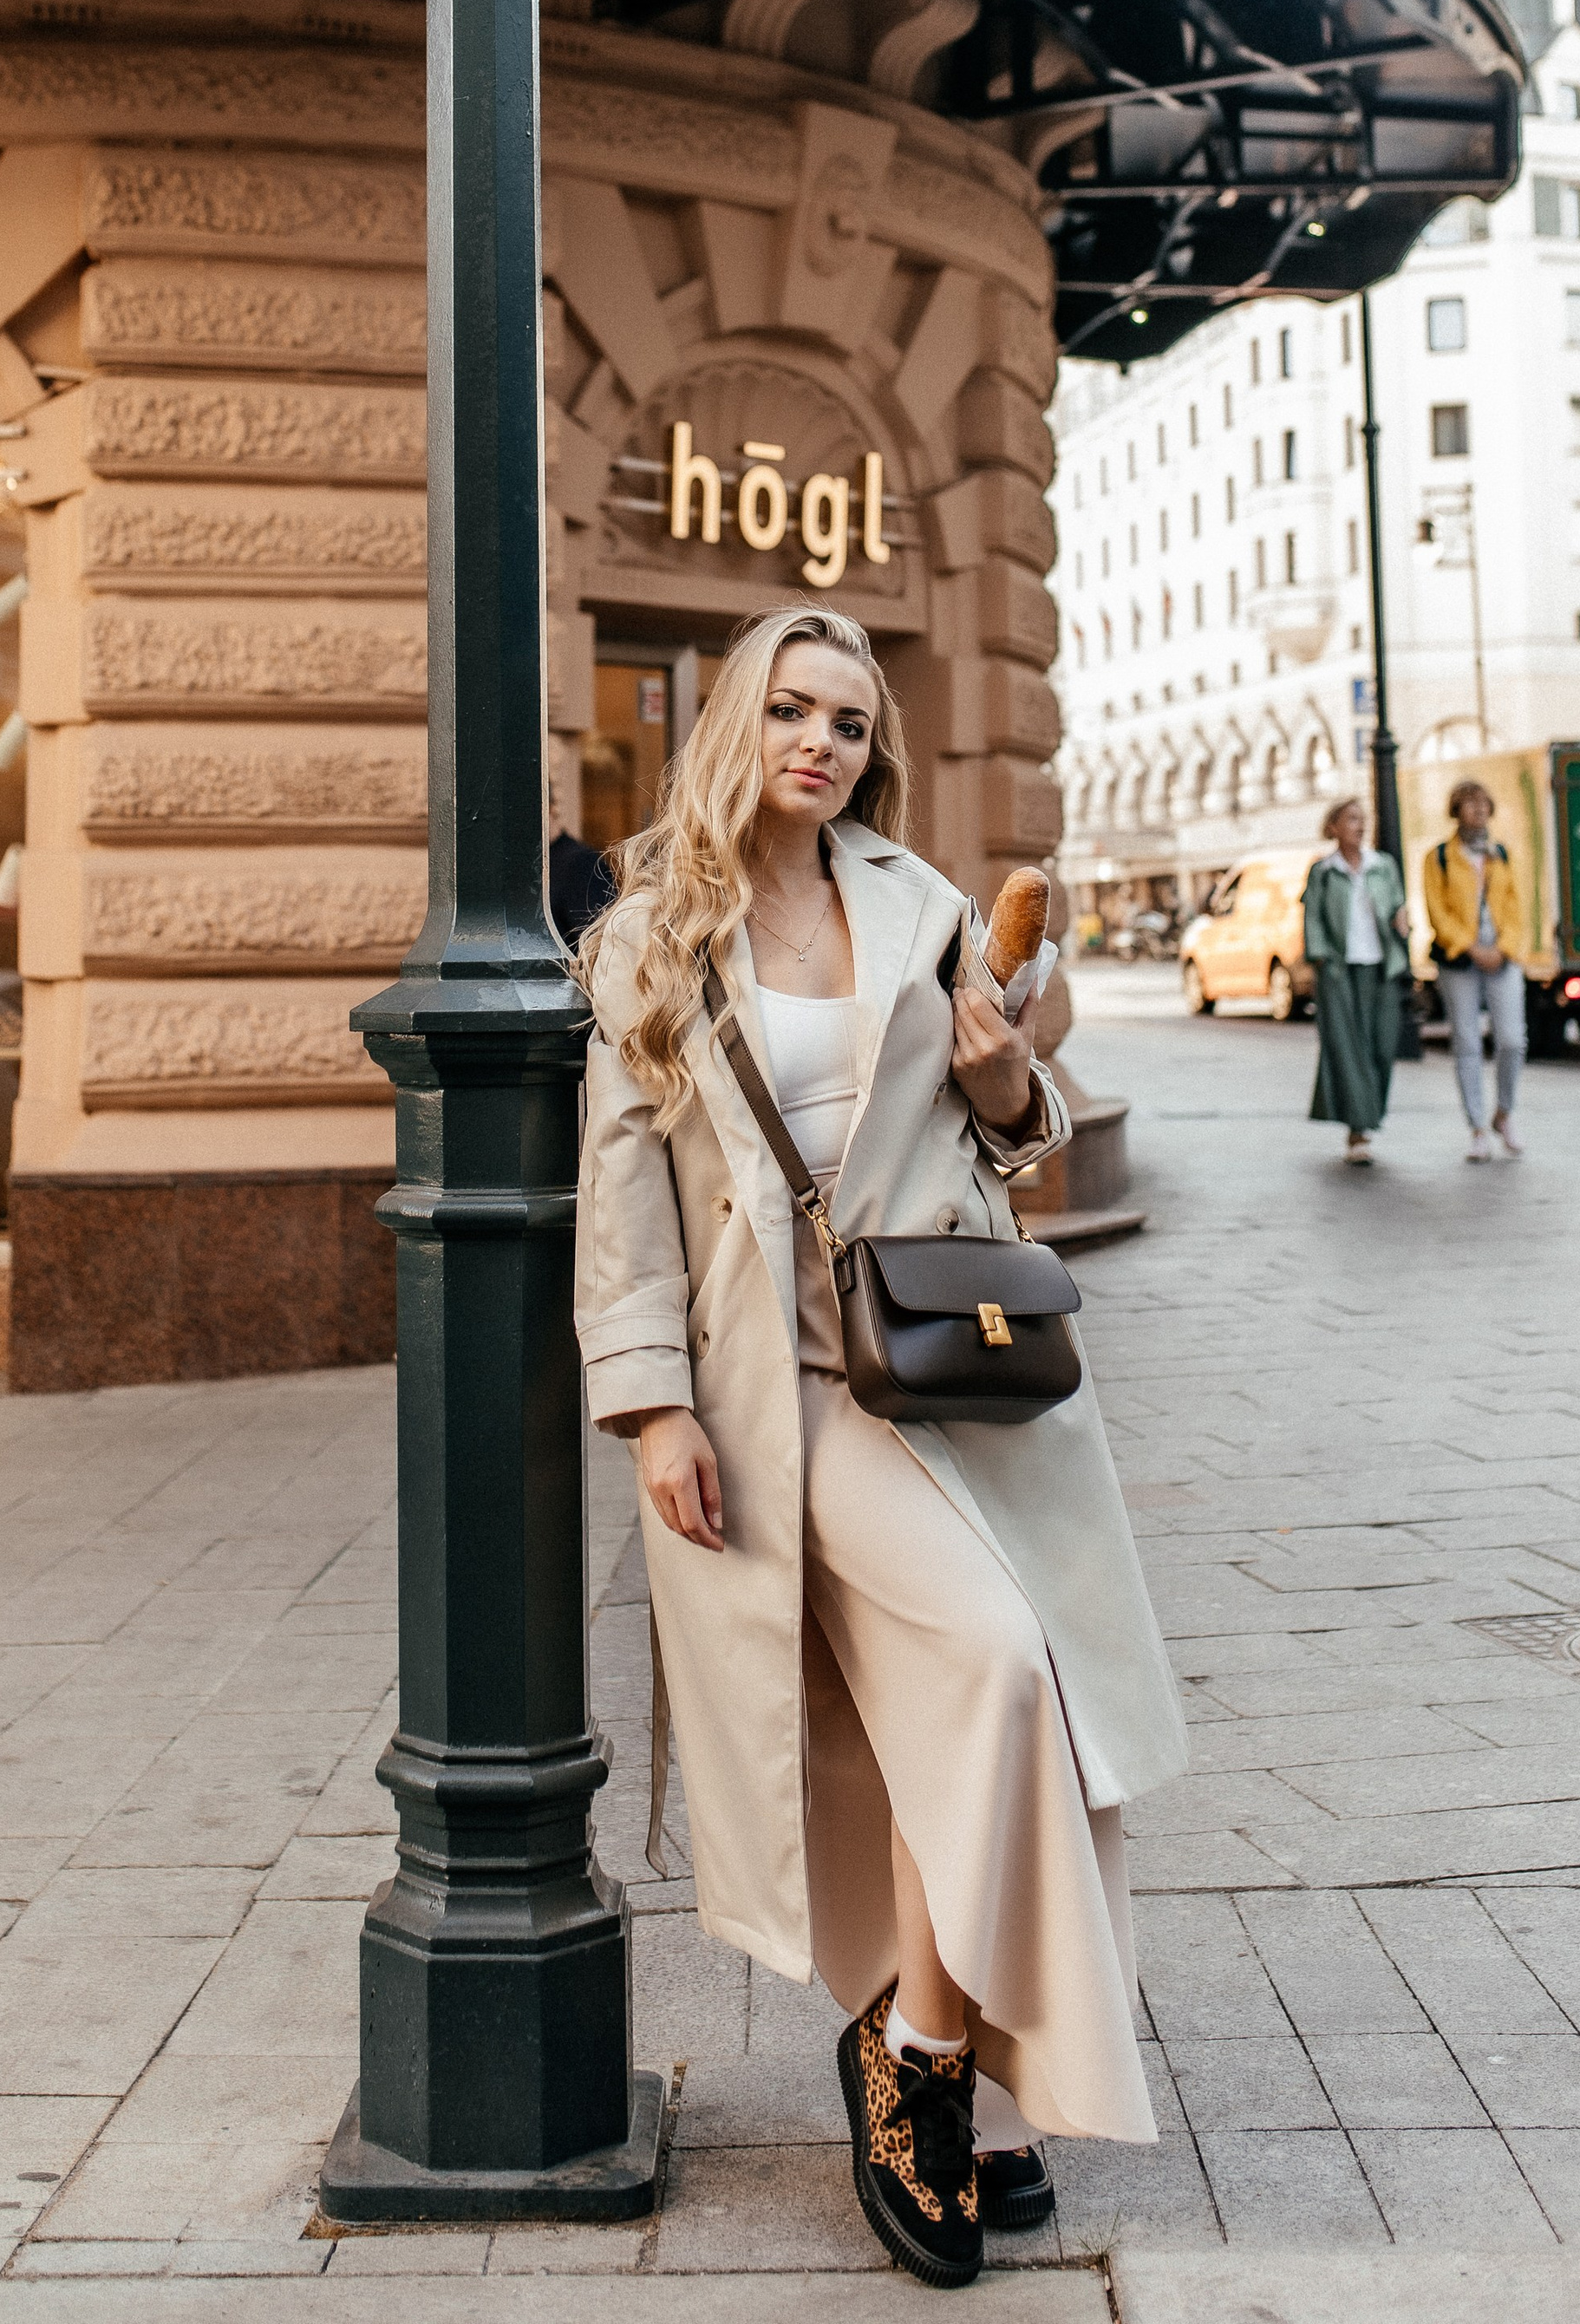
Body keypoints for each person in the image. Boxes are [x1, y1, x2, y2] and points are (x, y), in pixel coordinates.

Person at [573, 604, 1185, 2291]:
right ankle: (921, 2056)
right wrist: (648, 1405)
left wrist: (1001, 1086)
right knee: (982, 1671)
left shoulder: (920, 911)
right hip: (773, 1393)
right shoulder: (651, 932)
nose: (819, 741)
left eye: (847, 718)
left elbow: (1010, 1151)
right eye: (789, 707)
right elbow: (616, 1190)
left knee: (1001, 1701)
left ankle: (950, 2064)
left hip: (938, 1368)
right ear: (735, 724)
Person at [1422, 778, 1525, 1164]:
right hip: (1461, 959)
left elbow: (1515, 908)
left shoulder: (1502, 854)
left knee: (1513, 1040)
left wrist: (1505, 948)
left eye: (1484, 803)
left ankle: (1504, 1113)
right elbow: (1437, 911)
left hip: (1501, 955)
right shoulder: (1440, 858)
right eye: (1470, 803)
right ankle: (1477, 1127)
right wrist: (1470, 947)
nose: (1479, 809)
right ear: (1456, 810)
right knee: (1466, 1041)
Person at [1303, 795, 1410, 1162]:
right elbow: (1313, 918)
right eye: (1351, 819)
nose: (1360, 825)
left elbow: (1398, 905)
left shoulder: (1384, 866)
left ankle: (1368, 1114)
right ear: (1333, 827)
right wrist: (1319, 958)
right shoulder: (1323, 871)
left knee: (1381, 1044)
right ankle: (1358, 1130)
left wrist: (1402, 919)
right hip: (1338, 970)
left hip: (1382, 967)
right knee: (1348, 1048)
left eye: (1363, 819)